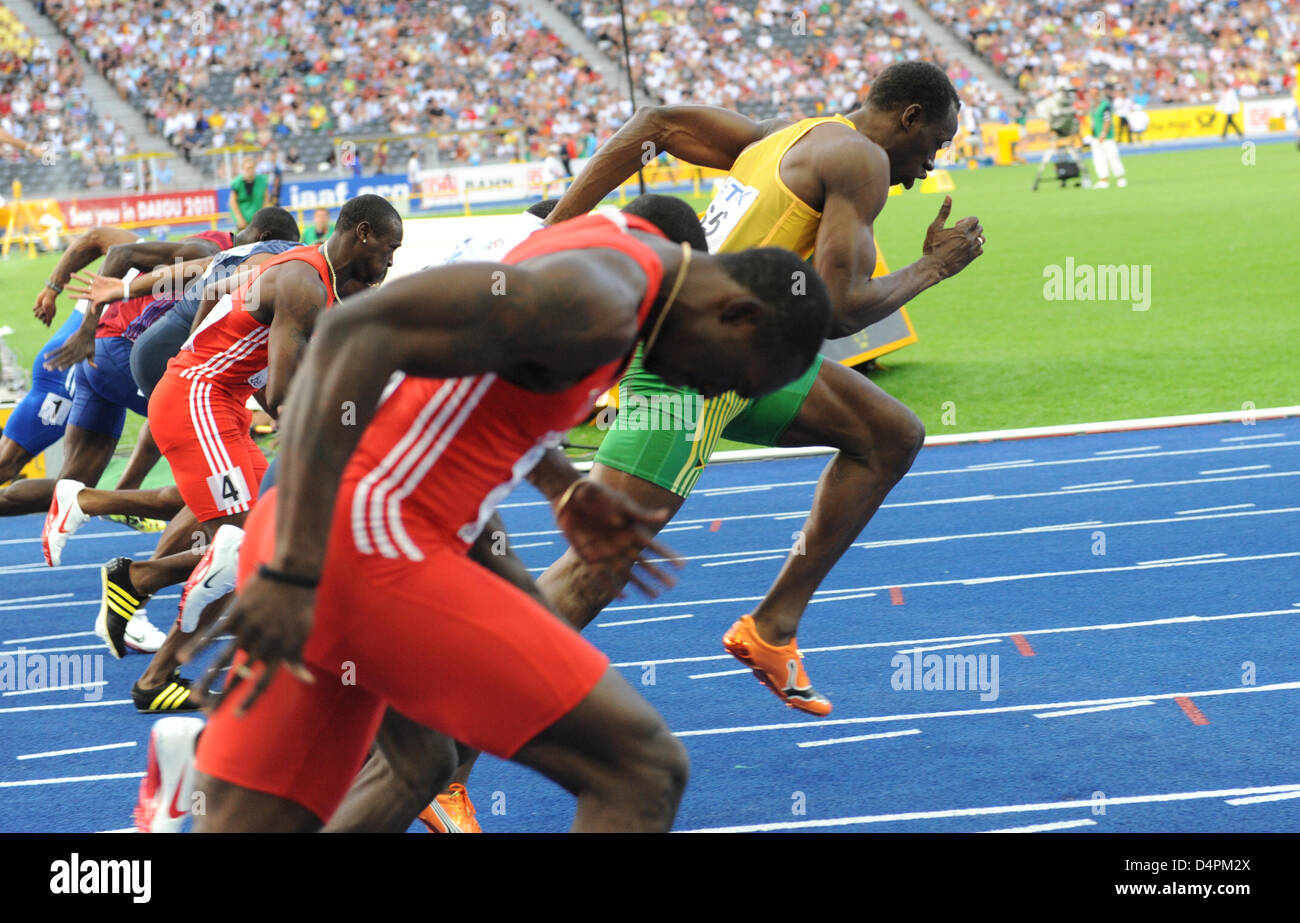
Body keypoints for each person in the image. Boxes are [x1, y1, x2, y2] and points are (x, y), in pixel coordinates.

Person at [182, 207, 833, 833]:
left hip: (350, 531)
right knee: (640, 768)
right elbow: (358, 332)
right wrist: (291, 569)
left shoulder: (625, 248)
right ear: (737, 311)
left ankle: (177, 782)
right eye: (731, 378)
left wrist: (564, 488)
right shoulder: (600, 304)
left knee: (412, 766)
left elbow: (489, 390)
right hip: (364, 545)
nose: (710, 393)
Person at [535, 60, 984, 716]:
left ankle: (771, 627)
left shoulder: (788, 135)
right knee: (594, 570)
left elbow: (653, 124)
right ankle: (435, 752)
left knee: (889, 435)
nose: (926, 169)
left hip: (748, 358)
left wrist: (557, 227)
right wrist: (935, 266)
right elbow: (836, 308)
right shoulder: (861, 162)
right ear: (910, 118)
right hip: (692, 371)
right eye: (934, 146)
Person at [47, 197, 401, 718]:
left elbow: (211, 284)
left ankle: (136, 582)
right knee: (252, 544)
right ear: (364, 235)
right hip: (198, 398)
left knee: (264, 538)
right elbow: (282, 395)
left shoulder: (303, 271)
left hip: (217, 399)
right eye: (390, 252)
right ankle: (154, 662)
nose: (390, 266)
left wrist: (209, 344)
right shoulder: (304, 283)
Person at [1088, 86, 1127, 188]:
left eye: (1095, 94)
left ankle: (1120, 178)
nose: (1093, 96)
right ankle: (1103, 179)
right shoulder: (1092, 107)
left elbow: (1107, 120)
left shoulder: (1105, 105)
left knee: (1112, 157)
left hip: (1107, 137)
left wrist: (1103, 134)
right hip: (1095, 137)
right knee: (1098, 159)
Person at [229, 155, 271, 231]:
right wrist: (239, 219)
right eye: (247, 168)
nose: (250, 170)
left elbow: (266, 199)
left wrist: (263, 216)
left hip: (258, 220)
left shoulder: (262, 180)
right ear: (243, 169)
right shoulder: (237, 183)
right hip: (243, 221)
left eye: (252, 167)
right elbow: (233, 202)